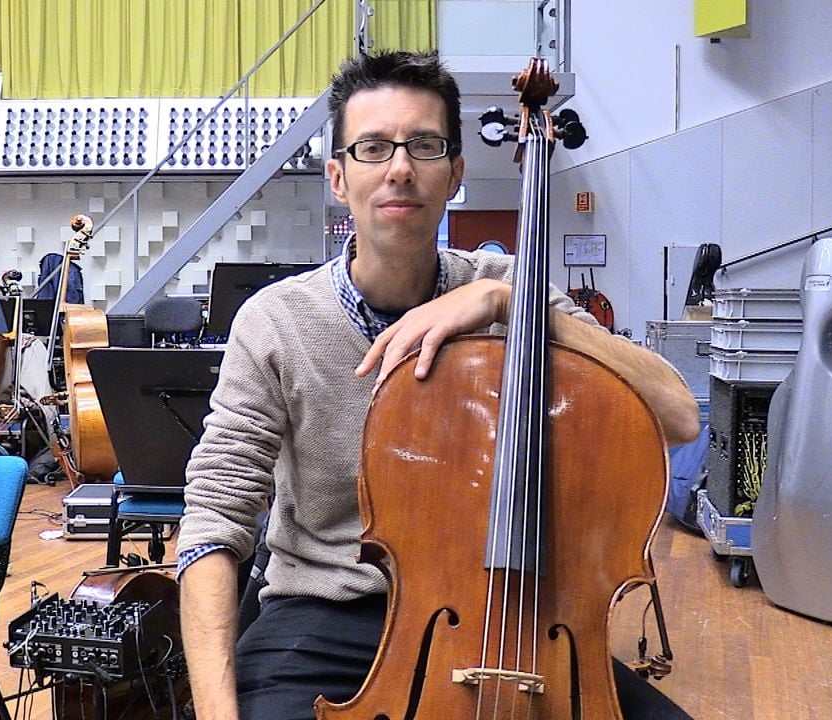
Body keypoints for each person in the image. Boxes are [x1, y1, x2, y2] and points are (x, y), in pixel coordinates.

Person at [177, 50, 701, 720]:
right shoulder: (276, 322)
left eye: (424, 146)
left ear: (454, 173)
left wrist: (510, 308)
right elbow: (215, 521)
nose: (400, 168)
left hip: (514, 614)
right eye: (373, 148)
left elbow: (679, 416)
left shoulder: (508, 286)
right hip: (325, 619)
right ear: (339, 177)